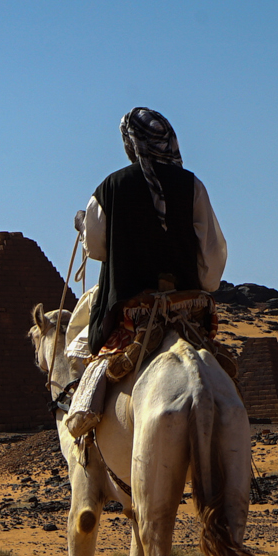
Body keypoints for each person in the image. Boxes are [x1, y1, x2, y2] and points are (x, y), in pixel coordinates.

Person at [62, 107, 227, 439]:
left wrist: (83, 224)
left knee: (89, 356)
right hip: (187, 310)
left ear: (130, 144)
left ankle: (83, 425)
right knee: (223, 373)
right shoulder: (192, 187)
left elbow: (96, 249)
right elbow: (213, 258)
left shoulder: (110, 187)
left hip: (130, 312)